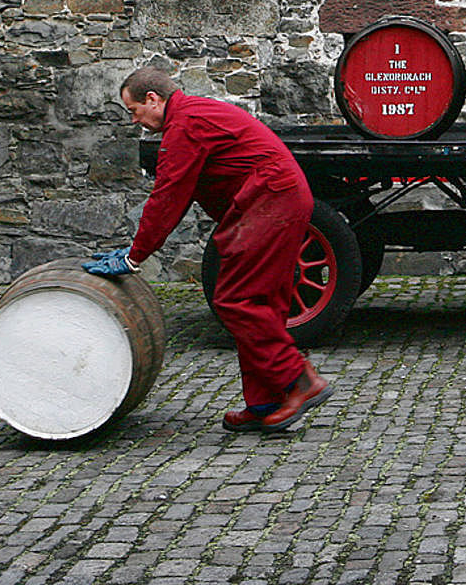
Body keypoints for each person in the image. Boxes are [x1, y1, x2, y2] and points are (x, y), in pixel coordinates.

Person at [85, 67, 333, 433]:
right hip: (275, 199)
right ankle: (265, 402)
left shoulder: (184, 126)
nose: (135, 120)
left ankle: (300, 380)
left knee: (237, 300)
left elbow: (168, 197)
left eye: (134, 110)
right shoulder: (193, 115)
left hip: (270, 200)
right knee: (261, 302)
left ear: (153, 99)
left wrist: (134, 256)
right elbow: (179, 195)